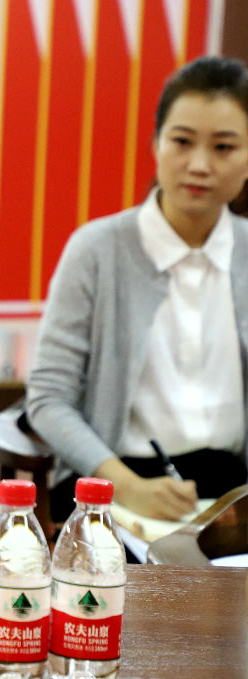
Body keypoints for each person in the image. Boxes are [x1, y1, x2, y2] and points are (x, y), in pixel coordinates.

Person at [26, 56, 248, 525]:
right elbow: (48, 398)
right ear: (156, 144)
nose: (199, 165)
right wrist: (126, 487)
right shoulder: (97, 249)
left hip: (233, 494)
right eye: (182, 141)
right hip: (111, 486)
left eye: (224, 147)